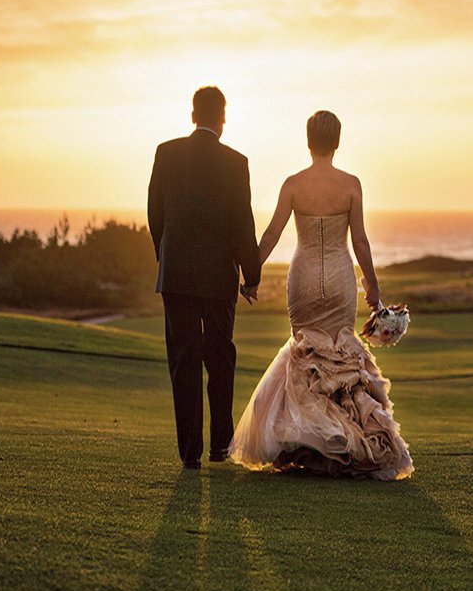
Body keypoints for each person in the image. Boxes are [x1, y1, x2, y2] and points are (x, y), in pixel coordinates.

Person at [228, 110, 413, 480]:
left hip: (304, 279)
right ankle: (344, 445)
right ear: (337, 141)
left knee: (306, 356)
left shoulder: (293, 184)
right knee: (342, 357)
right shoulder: (351, 184)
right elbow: (360, 241)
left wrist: (251, 275)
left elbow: (271, 234)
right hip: (342, 279)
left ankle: (306, 443)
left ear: (309, 140)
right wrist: (372, 286)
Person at [147, 86, 261, 469]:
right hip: (218, 278)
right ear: (223, 118)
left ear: (193, 115)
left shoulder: (166, 153)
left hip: (176, 275)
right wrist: (252, 275)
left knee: (184, 361)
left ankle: (190, 452)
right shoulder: (236, 163)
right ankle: (220, 445)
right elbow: (243, 224)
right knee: (220, 359)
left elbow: (154, 213)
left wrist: (165, 255)